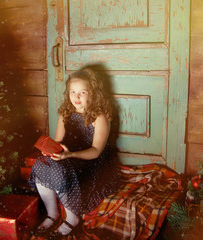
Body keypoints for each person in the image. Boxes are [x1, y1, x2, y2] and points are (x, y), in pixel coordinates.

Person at [28, 66, 120, 239]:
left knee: (63, 170)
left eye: (82, 92)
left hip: (92, 161)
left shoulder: (99, 116)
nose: (76, 97)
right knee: (42, 164)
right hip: (68, 155)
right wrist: (50, 151)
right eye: (72, 92)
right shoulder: (65, 113)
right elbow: (59, 142)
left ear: (93, 93)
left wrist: (68, 156)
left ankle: (72, 218)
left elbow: (96, 151)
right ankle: (52, 213)